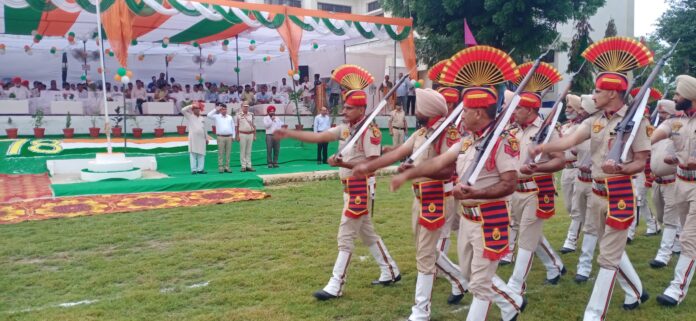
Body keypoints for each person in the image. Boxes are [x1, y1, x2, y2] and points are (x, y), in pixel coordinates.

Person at [390, 45, 524, 320]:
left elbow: (509, 183)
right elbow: (438, 163)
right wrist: (409, 173)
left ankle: (508, 303)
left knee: (479, 284)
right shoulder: (466, 141)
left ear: (478, 112)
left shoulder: (502, 142)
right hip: (467, 219)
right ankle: (511, 302)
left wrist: (478, 191)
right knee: (467, 274)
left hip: (490, 218)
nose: (460, 116)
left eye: (465, 111)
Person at [530, 37, 653, 318]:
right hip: (597, 193)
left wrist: (622, 169)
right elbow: (568, 141)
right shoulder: (595, 120)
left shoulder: (636, 122)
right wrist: (543, 147)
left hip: (619, 191)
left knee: (607, 257)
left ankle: (593, 313)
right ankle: (635, 291)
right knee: (609, 247)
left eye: (598, 91)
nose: (593, 95)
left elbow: (641, 162)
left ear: (612, 93)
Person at [273, 64, 401, 301]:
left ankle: (336, 284)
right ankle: (390, 270)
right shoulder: (346, 129)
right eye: (344, 106)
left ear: (362, 109)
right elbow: (319, 136)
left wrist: (342, 165)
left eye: (350, 108)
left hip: (360, 188)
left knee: (345, 236)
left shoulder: (370, 131)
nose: (344, 111)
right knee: (367, 234)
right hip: (349, 187)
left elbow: (372, 165)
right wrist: (291, 133)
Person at [353, 88, 468, 321]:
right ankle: (458, 279)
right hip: (421, 197)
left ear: (428, 110)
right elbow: (401, 153)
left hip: (437, 199)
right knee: (425, 250)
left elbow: (449, 170)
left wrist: (413, 170)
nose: (415, 111)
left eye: (418, 107)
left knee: (424, 255)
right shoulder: (423, 133)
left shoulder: (448, 134)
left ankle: (420, 311)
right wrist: (368, 166)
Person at [505, 63, 566, 297]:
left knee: (526, 238)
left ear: (530, 110)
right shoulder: (512, 129)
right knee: (528, 232)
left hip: (537, 189)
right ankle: (554, 265)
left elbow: (560, 160)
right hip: (515, 189)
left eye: (518, 108)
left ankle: (516, 284)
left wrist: (538, 167)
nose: (514, 111)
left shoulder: (549, 130)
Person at [652, 75, 696, 307]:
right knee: (685, 231)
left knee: (689, 237)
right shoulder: (677, 121)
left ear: (690, 97)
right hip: (680, 184)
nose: (675, 98)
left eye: (678, 94)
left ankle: (676, 288)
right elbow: (657, 134)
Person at [567, 95, 601, 283]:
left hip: (596, 182)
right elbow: (573, 149)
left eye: (582, 110)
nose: (579, 112)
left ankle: (584, 266)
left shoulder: (601, 128)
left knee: (591, 223)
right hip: (580, 180)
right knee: (575, 213)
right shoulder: (581, 128)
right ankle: (572, 242)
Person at [647, 99, 681, 268]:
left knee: (669, 218)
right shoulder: (656, 133)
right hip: (657, 182)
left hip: (673, 181)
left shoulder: (678, 132)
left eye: (664, 113)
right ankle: (678, 241)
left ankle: (664, 254)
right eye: (660, 113)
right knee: (661, 217)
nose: (661, 116)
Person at [559, 94, 584, 254]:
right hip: (565, 169)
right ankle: (590, 229)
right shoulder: (564, 126)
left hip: (577, 168)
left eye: (570, 107)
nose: (567, 110)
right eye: (567, 107)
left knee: (576, 208)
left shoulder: (582, 126)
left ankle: (571, 240)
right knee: (569, 206)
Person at [208, 103, 236, 173]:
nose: (224, 110)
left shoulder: (230, 117)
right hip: (220, 137)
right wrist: (216, 109)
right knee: (221, 153)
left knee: (228, 153)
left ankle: (227, 167)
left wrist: (233, 136)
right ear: (220, 110)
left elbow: (233, 127)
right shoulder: (217, 116)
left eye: (225, 109)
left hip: (229, 137)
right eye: (223, 109)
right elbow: (208, 115)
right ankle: (221, 167)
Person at [182, 102, 208, 174]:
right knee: (193, 153)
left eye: (198, 108)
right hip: (193, 138)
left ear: (200, 110)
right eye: (195, 109)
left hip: (202, 138)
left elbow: (205, 128)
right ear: (193, 110)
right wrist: (191, 105)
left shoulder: (202, 118)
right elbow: (182, 110)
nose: (197, 110)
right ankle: (193, 170)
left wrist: (207, 138)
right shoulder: (189, 116)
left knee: (201, 154)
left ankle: (200, 169)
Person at [236, 103, 256, 172]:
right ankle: (243, 166)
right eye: (244, 107)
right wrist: (237, 136)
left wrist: (254, 135)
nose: (246, 108)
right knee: (243, 151)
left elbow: (254, 125)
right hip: (242, 134)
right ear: (241, 107)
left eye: (247, 107)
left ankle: (249, 165)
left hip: (250, 134)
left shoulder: (251, 114)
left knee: (249, 151)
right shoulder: (238, 115)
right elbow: (237, 126)